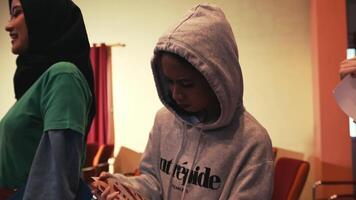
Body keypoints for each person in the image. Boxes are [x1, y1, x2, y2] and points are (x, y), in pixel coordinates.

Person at [94, 3, 274, 200]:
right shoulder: (164, 120)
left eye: (186, 83)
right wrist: (124, 187)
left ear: (217, 79)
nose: (175, 93)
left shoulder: (252, 142)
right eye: (169, 82)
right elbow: (153, 181)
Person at [0, 0, 95, 199]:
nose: (8, 26)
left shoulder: (63, 76)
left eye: (17, 13)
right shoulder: (38, 84)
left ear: (43, 16)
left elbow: (55, 188)